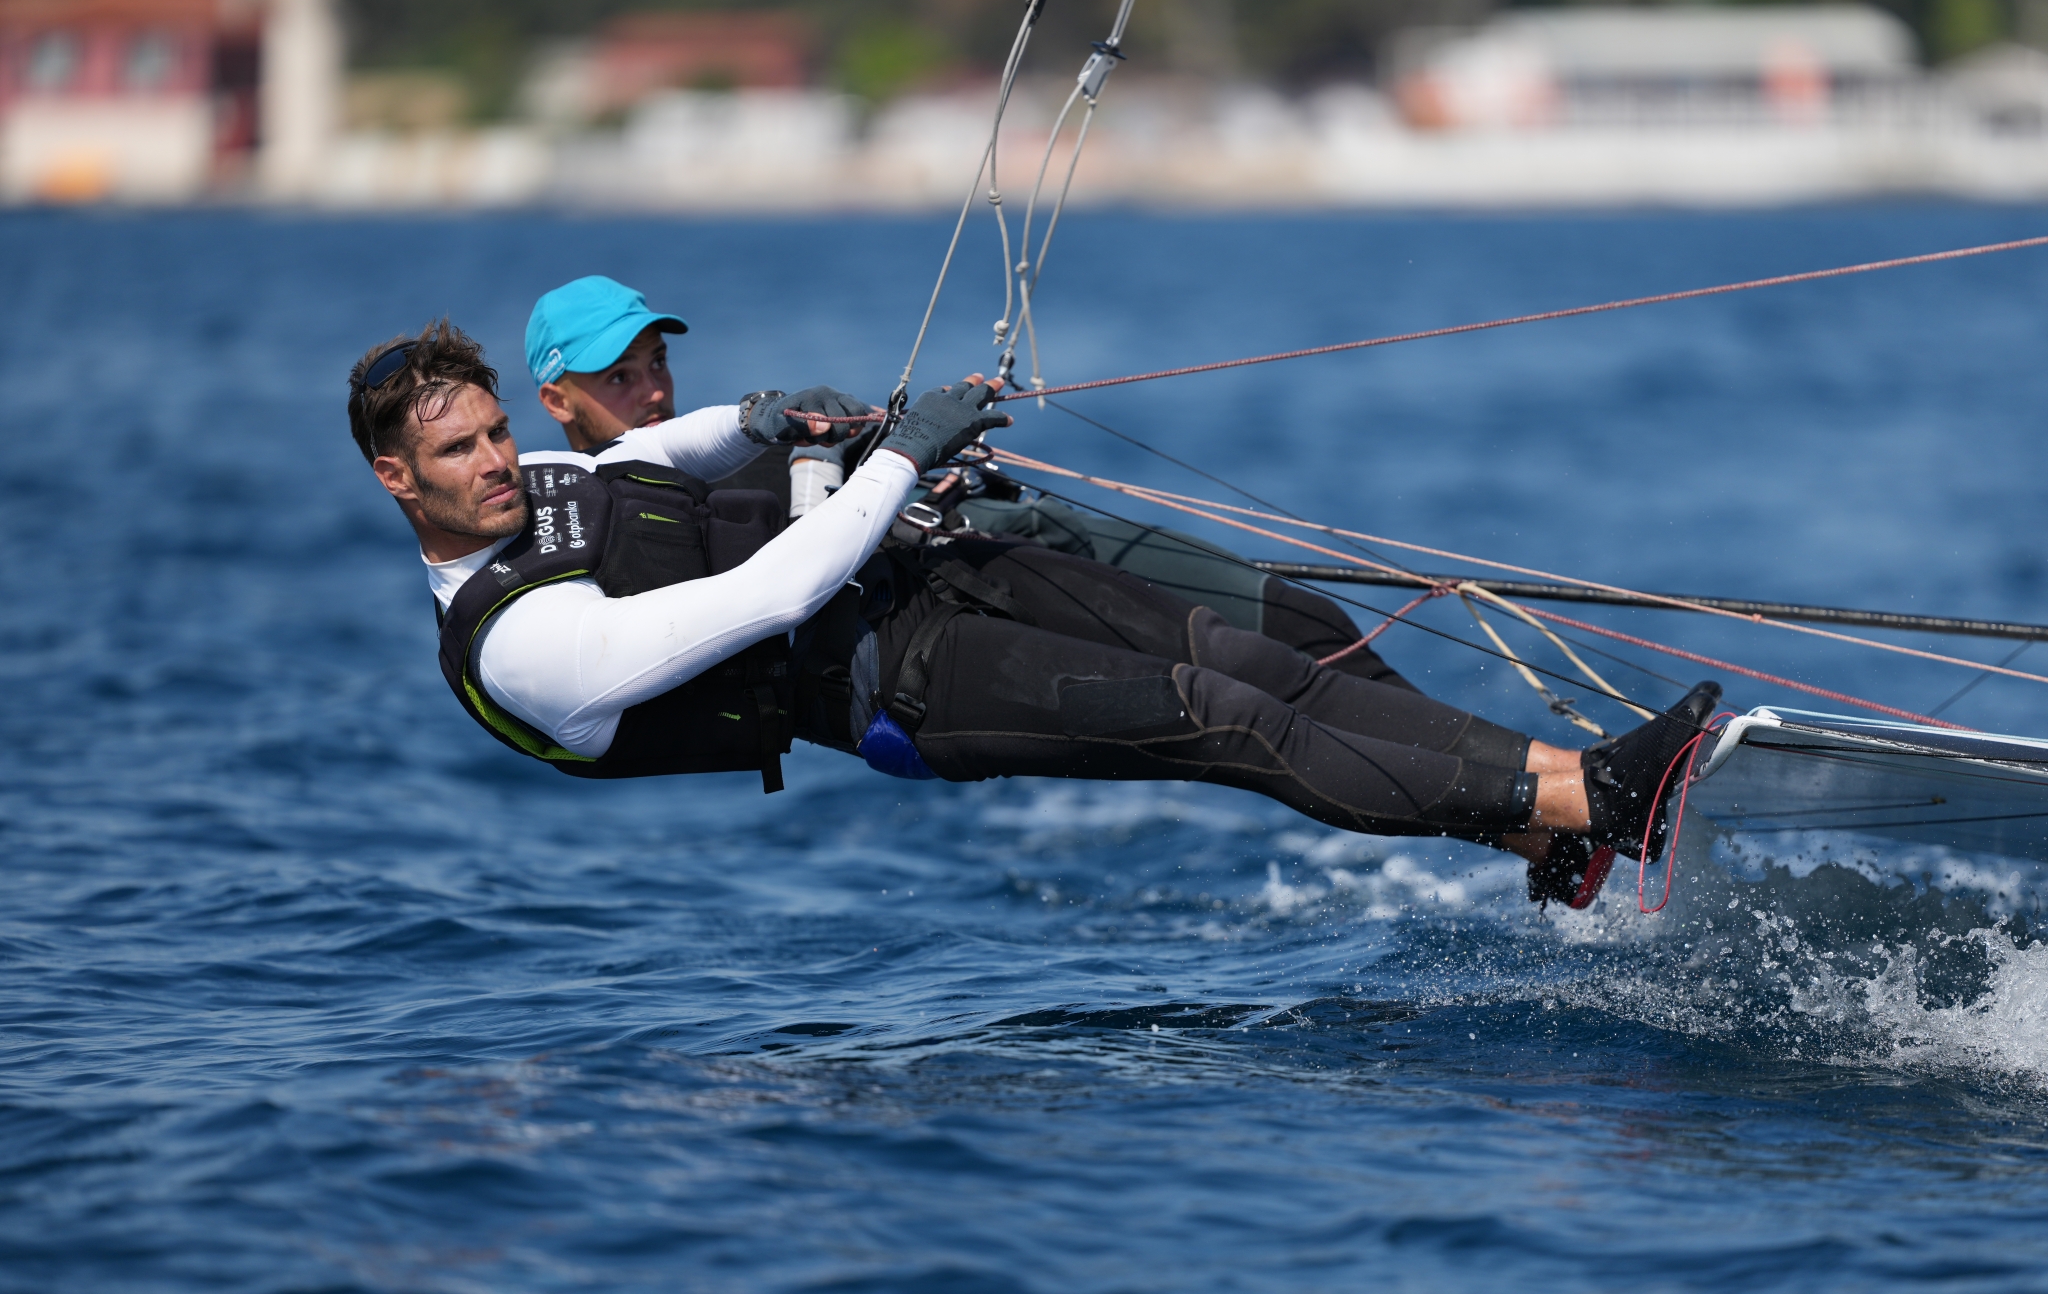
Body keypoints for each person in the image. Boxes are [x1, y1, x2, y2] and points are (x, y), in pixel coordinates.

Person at [352, 319, 1720, 910]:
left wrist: (771, 420)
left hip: (929, 581)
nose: (492, 467)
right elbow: (767, 593)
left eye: (489, 434)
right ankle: (1597, 801)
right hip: (903, 689)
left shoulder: (537, 483)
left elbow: (651, 463)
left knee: (1249, 652)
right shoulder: (520, 647)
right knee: (1228, 717)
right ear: (392, 479)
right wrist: (898, 459)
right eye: (457, 456)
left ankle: (1551, 812)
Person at [523, 275, 1416, 688]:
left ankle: (1535, 815)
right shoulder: (625, 512)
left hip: (1010, 526)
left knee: (1307, 619)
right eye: (619, 377)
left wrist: (910, 437)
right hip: (971, 599)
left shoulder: (720, 436)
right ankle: (1525, 815)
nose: (650, 390)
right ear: (555, 400)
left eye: (657, 363)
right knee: (1240, 670)